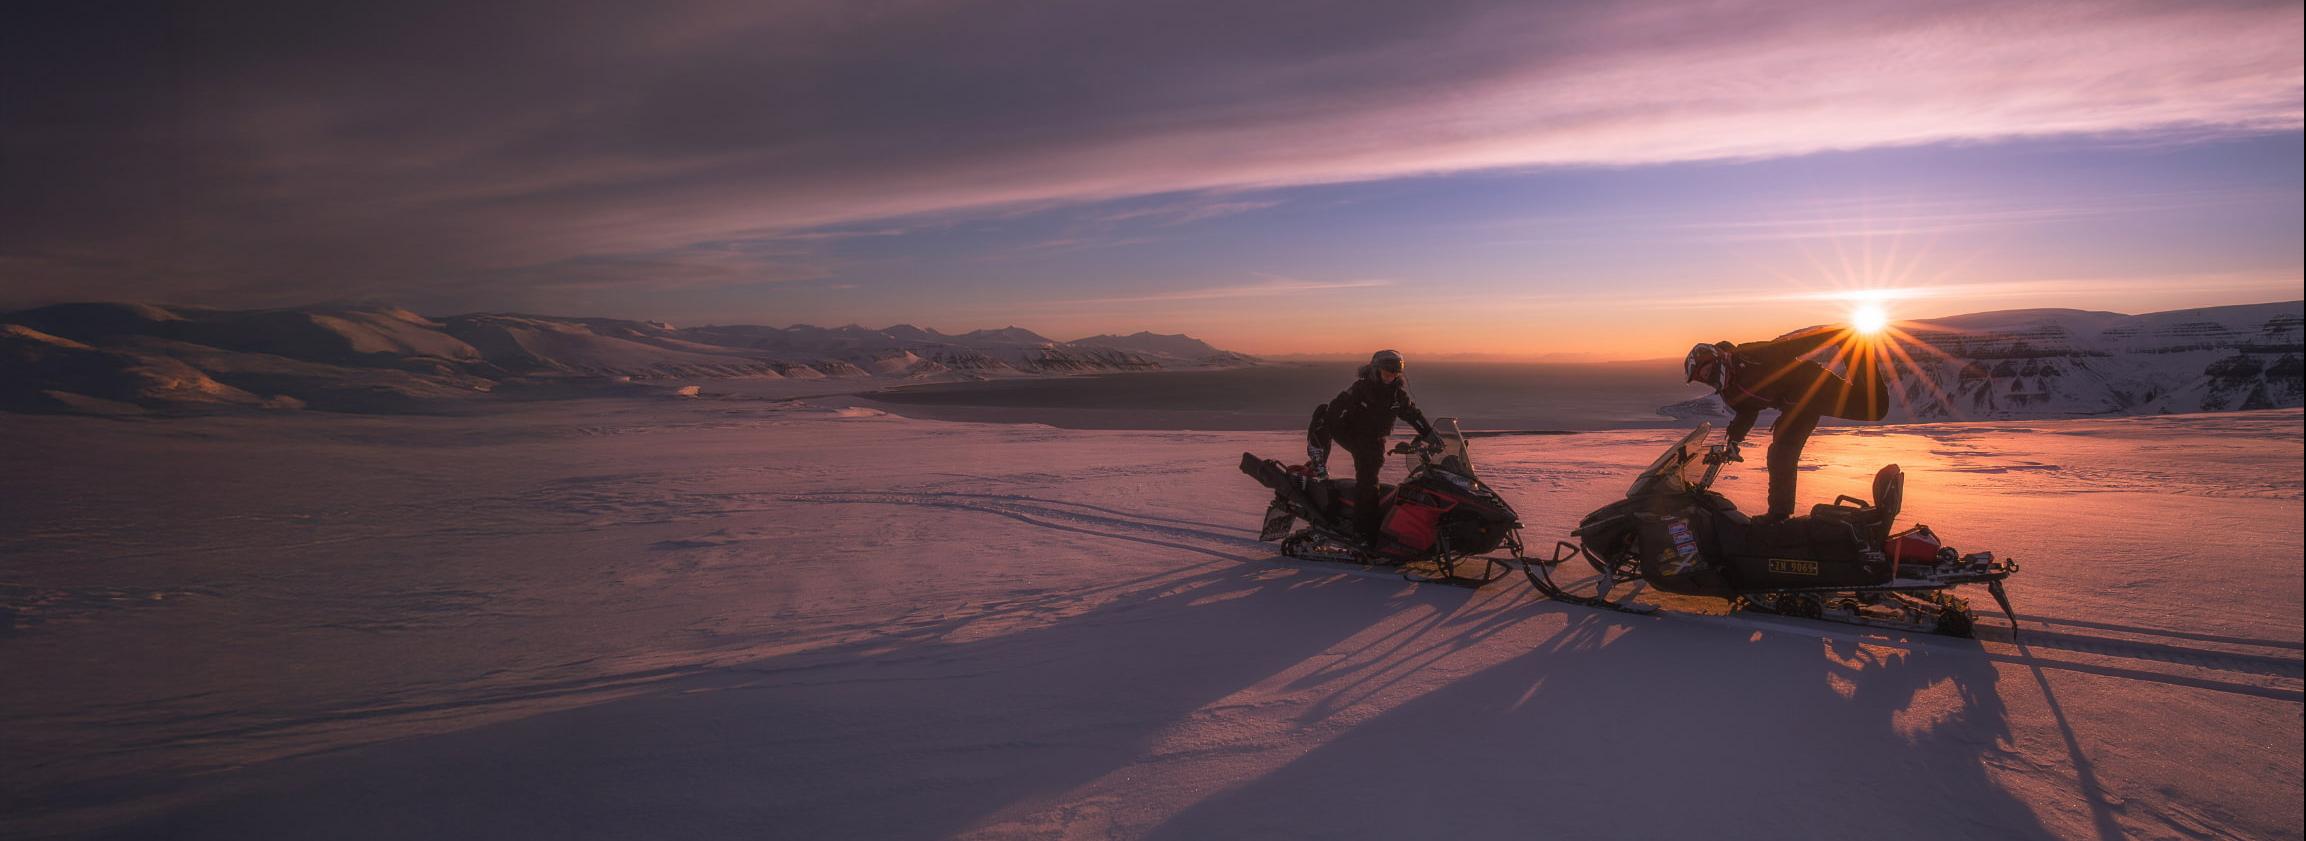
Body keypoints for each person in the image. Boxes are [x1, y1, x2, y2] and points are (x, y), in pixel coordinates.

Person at [1684, 327, 1889, 522]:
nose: (1707, 377)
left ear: (1715, 358)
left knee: (1875, 409)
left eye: (1707, 370)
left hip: (1817, 388)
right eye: (1702, 377)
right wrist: (1734, 440)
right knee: (1780, 453)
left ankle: (1853, 346)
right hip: (1795, 409)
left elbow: (1791, 347)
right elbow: (1747, 411)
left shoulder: (1749, 355)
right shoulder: (1729, 391)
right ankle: (1779, 515)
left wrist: (1834, 336)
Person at [1306, 349, 1440, 545]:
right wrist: (1329, 423)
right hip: (1352, 434)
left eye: (1395, 373)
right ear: (1376, 370)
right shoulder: (1360, 389)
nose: (1391, 377)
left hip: (1374, 440)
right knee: (1367, 483)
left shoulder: (1397, 396)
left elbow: (1413, 415)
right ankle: (1363, 534)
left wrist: (1431, 436)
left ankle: (1383, 523)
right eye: (1387, 373)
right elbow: (1336, 406)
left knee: (1374, 479)